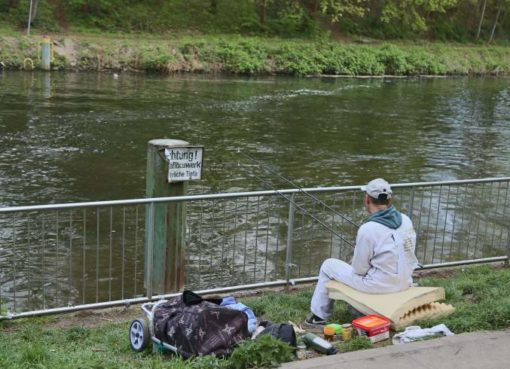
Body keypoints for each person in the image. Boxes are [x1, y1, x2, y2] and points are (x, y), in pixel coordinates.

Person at [306, 178, 419, 325]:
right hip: (405, 281)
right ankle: (354, 309)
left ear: (367, 199)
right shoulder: (405, 219)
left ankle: (318, 317)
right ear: (390, 199)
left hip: (379, 286)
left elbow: (359, 270)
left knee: (328, 265)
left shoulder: (368, 229)